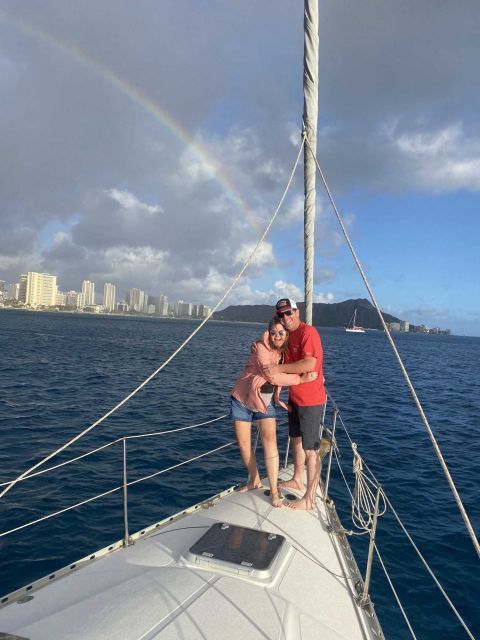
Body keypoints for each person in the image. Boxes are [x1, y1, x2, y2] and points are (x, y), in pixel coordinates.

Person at [230, 316, 318, 508]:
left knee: (270, 442)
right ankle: (253, 480)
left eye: (281, 332)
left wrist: (284, 400)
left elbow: (302, 364)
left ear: (286, 335)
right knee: (244, 446)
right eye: (273, 332)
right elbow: (271, 374)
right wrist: (301, 380)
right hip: (241, 400)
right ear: (268, 333)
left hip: (264, 403)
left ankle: (274, 492)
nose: (277, 336)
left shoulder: (284, 354)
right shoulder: (260, 347)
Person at [262, 299, 326, 511]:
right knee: (296, 441)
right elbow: (277, 353)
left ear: (297, 311)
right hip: (294, 398)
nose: (286, 317)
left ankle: (309, 499)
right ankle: (298, 479)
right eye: (282, 314)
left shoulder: (309, 332)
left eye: (289, 312)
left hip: (311, 399)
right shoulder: (289, 335)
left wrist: (278, 371)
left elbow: (311, 364)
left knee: (311, 450)